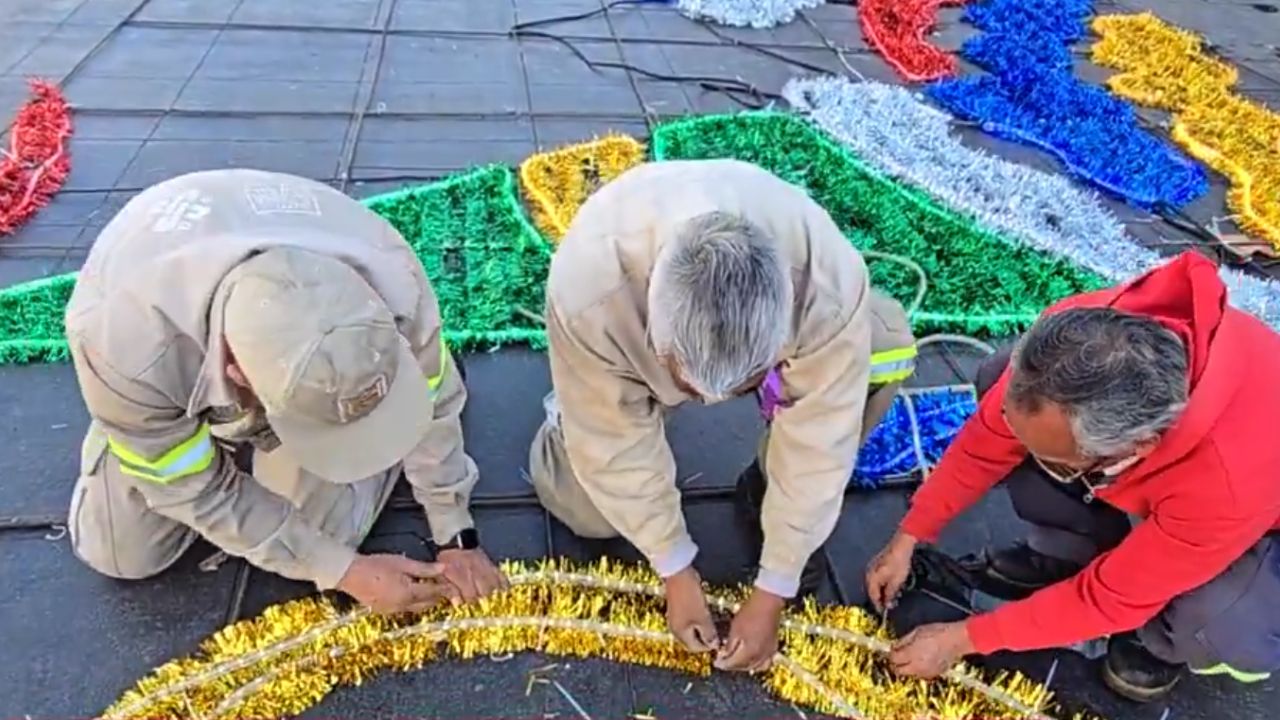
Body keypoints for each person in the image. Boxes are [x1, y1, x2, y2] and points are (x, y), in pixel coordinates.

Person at [528, 159, 917, 673]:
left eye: (747, 384)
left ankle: (763, 481)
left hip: (789, 325)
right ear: (656, 341)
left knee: (884, 347)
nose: (714, 404)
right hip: (621, 338)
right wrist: (673, 567)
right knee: (589, 509)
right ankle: (566, 425)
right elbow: (614, 447)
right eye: (692, 386)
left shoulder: (827, 281)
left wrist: (775, 586)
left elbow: (820, 448)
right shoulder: (589, 288)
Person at [66, 169, 507, 613]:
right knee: (123, 555)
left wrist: (455, 531)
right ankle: (148, 428)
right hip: (156, 377)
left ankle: (351, 425)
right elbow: (193, 489)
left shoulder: (391, 275)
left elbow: (434, 395)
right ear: (237, 374)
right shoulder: (125, 346)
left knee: (329, 535)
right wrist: (350, 573)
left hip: (257, 336)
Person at [866, 252, 1280, 701]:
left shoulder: (1226, 482)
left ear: (1135, 449)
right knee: (997, 375)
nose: (1016, 445)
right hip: (1153, 472)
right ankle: (1069, 551)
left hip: (1260, 525)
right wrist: (909, 535)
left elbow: (1111, 599)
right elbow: (987, 438)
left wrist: (962, 639)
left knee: (1224, 617)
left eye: (1054, 460)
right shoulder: (1078, 340)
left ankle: (1162, 640)